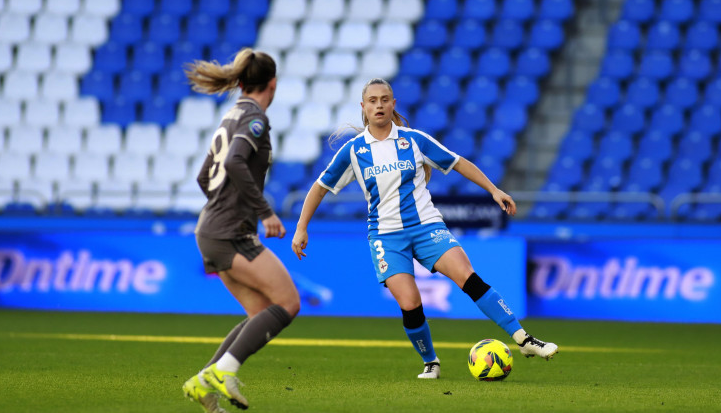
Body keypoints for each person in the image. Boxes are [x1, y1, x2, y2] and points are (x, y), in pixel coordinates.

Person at [291, 78, 558, 380]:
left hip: (426, 225)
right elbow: (320, 187)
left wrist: (493, 190)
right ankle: (431, 362)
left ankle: (524, 339)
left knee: (467, 277)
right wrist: (301, 227)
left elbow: (458, 162)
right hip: (386, 237)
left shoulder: (414, 140)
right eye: (373, 100)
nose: (379, 105)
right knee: (410, 302)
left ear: (393, 104)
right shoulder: (353, 151)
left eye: (385, 99)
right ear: (363, 107)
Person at [181, 48, 300, 412]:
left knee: (261, 310)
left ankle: (204, 384)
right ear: (273, 83)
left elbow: (205, 175)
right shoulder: (255, 118)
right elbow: (233, 160)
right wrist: (263, 213)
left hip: (212, 228)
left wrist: (225, 208)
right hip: (231, 231)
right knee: (289, 302)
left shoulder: (231, 114)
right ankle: (223, 371)